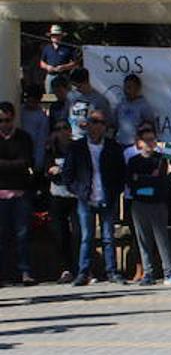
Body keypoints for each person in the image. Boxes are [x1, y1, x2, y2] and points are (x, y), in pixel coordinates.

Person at [62, 109, 126, 285]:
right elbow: (67, 175)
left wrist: (114, 192)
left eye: (100, 123)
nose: (97, 126)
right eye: (93, 122)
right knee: (86, 237)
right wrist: (79, 191)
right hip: (86, 198)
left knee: (108, 237)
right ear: (87, 125)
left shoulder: (113, 147)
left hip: (107, 197)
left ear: (105, 127)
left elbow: (121, 174)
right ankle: (84, 272)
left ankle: (112, 271)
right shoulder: (77, 147)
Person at [125, 124, 171, 286]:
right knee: (143, 239)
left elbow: (162, 181)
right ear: (139, 143)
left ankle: (169, 272)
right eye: (146, 140)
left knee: (162, 239)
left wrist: (144, 180)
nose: (150, 143)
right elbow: (131, 182)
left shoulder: (160, 159)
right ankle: (148, 272)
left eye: (152, 140)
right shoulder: (133, 161)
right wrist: (148, 180)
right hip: (139, 204)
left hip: (157, 204)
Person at [0, 102, 37, 286]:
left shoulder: (23, 137)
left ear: (13, 118)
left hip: (20, 193)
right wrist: (15, 166)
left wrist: (5, 165)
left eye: (7, 120)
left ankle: (25, 272)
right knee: (2, 235)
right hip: (1, 195)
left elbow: (26, 162)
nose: (4, 124)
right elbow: (20, 164)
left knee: (22, 235)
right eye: (0, 121)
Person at [44, 119, 79, 282]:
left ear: (70, 130)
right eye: (58, 128)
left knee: (79, 233)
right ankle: (66, 269)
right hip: (57, 196)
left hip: (76, 196)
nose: (62, 131)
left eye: (65, 128)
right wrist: (58, 171)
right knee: (60, 234)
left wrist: (62, 170)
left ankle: (82, 268)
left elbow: (79, 170)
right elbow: (48, 171)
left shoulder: (77, 148)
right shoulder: (50, 149)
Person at [113, 73, 157, 146]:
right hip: (119, 144)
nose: (126, 90)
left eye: (130, 87)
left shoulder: (144, 106)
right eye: (125, 87)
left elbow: (151, 128)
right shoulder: (121, 104)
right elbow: (115, 124)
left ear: (137, 88)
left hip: (135, 146)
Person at [66, 67, 110, 141]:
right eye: (74, 86)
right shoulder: (71, 95)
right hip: (72, 138)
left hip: (89, 140)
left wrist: (91, 124)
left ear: (86, 82)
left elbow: (107, 123)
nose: (76, 89)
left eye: (78, 86)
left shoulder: (100, 100)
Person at [38, 24, 80, 92]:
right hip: (50, 75)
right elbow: (42, 63)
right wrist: (47, 67)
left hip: (64, 76)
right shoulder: (47, 48)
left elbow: (75, 63)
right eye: (53, 35)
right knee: (50, 96)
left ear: (61, 36)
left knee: (66, 95)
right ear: (51, 37)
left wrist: (64, 67)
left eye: (57, 35)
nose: (55, 37)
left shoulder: (68, 48)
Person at [19, 84, 49, 174]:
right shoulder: (20, 110)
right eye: (27, 99)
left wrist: (38, 163)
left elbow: (41, 141)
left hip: (32, 156)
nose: (29, 102)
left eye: (33, 100)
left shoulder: (42, 117)